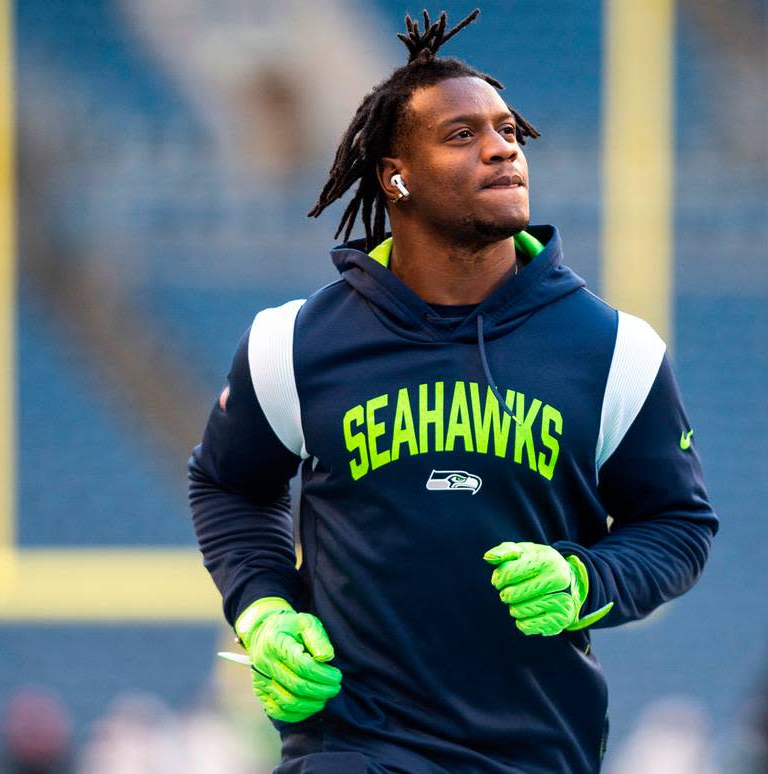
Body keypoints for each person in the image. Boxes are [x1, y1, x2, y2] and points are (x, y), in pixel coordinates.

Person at [188, 9, 718, 773]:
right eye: (463, 135)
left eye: (508, 131)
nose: (504, 148)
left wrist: (584, 578)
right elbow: (227, 487)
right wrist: (265, 610)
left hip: (535, 751)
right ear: (395, 175)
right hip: (353, 749)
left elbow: (678, 525)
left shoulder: (614, 352)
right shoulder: (293, 343)